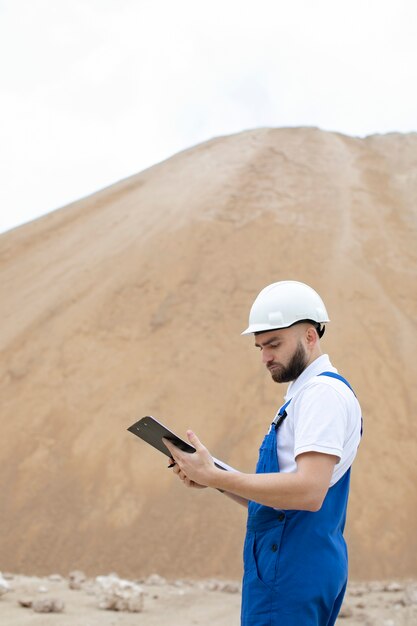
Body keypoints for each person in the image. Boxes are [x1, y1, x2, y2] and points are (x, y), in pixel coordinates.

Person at [164, 280, 362, 626]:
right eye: (259, 346)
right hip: (293, 565)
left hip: (290, 569)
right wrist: (215, 480)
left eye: (274, 344)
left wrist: (217, 476)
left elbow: (309, 491)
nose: (265, 356)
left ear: (310, 337)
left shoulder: (321, 394)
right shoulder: (305, 394)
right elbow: (281, 502)